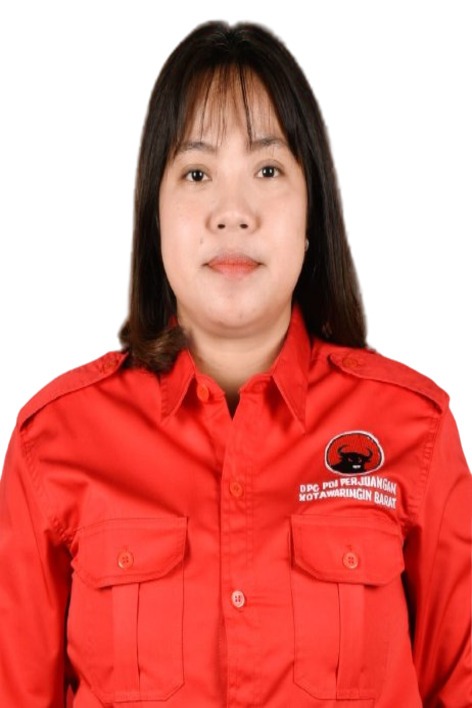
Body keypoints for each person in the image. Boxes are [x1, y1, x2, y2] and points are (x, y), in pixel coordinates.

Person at [0, 20, 470, 707]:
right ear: (154, 215)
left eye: (268, 170)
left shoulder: (415, 432)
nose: (232, 212)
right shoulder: (51, 443)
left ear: (312, 216)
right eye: (196, 174)